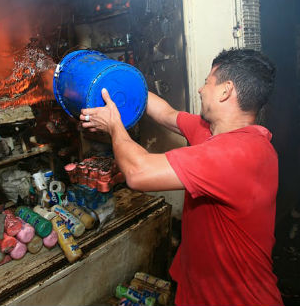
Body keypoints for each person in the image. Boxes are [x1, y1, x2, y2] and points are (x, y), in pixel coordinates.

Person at [80, 48, 283, 306]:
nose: (200, 89)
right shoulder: (211, 131)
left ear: (226, 90)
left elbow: (138, 172)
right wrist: (116, 75)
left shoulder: (240, 154)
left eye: (208, 82)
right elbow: (164, 113)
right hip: (198, 291)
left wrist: (114, 125)